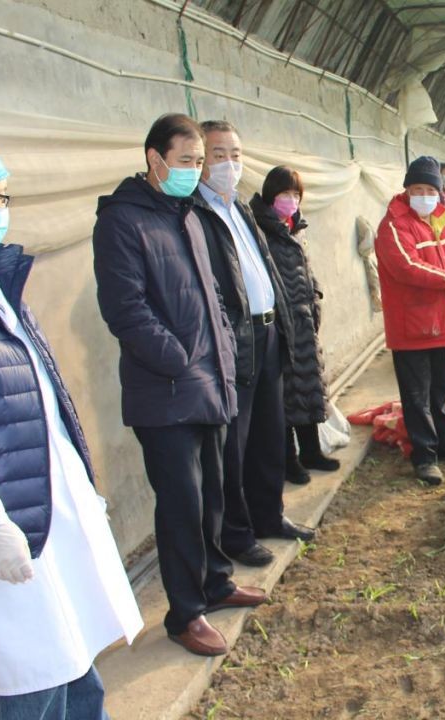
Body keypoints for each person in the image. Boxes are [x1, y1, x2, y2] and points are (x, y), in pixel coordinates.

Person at [0, 132, 143, 716]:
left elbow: (41, 396)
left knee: (74, 669)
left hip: (40, 515)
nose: (3, 210)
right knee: (25, 686)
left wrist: (77, 485)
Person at [93, 113, 267, 657]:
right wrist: (178, 357)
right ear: (155, 159)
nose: (196, 170)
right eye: (187, 161)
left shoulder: (186, 214)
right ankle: (185, 614)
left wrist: (222, 351)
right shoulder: (122, 221)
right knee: (181, 505)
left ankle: (215, 582)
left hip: (209, 381)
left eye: (199, 161)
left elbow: (211, 293)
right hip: (166, 392)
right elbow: (125, 309)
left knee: (214, 493)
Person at [191, 120, 314, 570]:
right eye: (219, 155)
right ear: (200, 161)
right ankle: (237, 535)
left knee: (269, 434)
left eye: (236, 154)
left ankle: (269, 515)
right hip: (236, 340)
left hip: (267, 334)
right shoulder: (196, 215)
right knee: (234, 447)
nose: (230, 164)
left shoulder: (240, 208)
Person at [375, 156, 445, 485]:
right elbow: (406, 267)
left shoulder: (444, 218)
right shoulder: (393, 225)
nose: (424, 195)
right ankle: (424, 456)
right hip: (411, 325)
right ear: (407, 190)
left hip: (442, 320)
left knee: (440, 389)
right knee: (416, 396)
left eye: (430, 190)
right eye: (417, 189)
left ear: (439, 192)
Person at [249, 165, 340, 486]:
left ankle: (311, 452)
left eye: (295, 194)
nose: (291, 200)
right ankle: (289, 460)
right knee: (286, 396)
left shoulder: (294, 228)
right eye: (285, 193)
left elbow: (306, 268)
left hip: (303, 322)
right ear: (270, 195)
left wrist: (315, 297)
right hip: (281, 324)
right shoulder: (260, 230)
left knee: (308, 389)